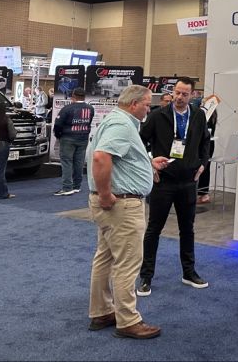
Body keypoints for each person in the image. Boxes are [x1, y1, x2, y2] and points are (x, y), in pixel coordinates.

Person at [87, 85, 169, 339]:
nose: (149, 107)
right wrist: (105, 194)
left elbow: (117, 157)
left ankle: (101, 311)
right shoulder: (123, 125)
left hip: (113, 206)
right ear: (133, 104)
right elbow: (101, 157)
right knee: (128, 263)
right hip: (121, 205)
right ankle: (128, 320)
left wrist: (147, 163)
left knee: (106, 257)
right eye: (146, 103)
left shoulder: (115, 120)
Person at [137, 77, 210, 296]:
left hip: (188, 181)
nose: (179, 97)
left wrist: (202, 165)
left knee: (187, 229)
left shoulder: (198, 116)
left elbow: (205, 141)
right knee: (153, 229)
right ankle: (146, 277)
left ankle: (189, 272)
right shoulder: (158, 115)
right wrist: (150, 164)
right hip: (164, 181)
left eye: (184, 94)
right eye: (177, 92)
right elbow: (140, 141)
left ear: (192, 95)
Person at [53, 87, 95, 196]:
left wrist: (58, 135)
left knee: (66, 162)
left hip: (68, 138)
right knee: (79, 162)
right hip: (83, 138)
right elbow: (89, 122)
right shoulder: (90, 108)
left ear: (73, 96)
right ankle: (77, 186)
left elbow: (58, 124)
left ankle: (67, 187)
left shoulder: (67, 109)